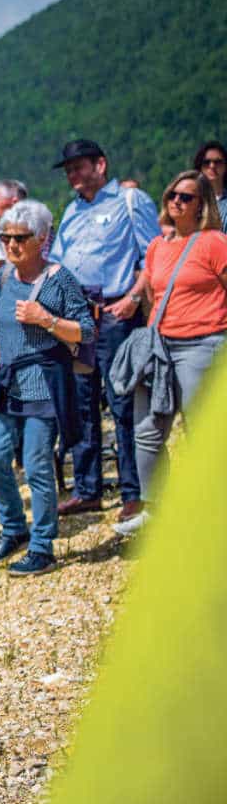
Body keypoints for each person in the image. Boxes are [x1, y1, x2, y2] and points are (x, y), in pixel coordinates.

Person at [46, 139, 162, 521]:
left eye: (78, 167)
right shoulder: (72, 211)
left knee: (123, 402)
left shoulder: (131, 202)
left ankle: (134, 490)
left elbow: (152, 256)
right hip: (79, 318)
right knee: (81, 404)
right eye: (68, 171)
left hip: (115, 314)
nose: (72, 176)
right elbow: (59, 263)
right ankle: (87, 488)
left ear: (100, 164)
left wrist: (131, 298)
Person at [0, 200, 95, 575]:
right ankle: (14, 529)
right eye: (6, 237)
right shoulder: (4, 277)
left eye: (20, 238)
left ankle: (42, 545)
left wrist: (45, 319)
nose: (11, 245)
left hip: (44, 382)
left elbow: (88, 331)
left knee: (37, 466)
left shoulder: (59, 278)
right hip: (8, 380)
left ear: (42, 239)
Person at [116, 170, 227, 536]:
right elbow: (152, 289)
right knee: (147, 429)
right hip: (161, 345)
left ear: (202, 205)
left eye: (187, 197)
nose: (176, 201)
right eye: (173, 195)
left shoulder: (213, 242)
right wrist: (133, 303)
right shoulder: (157, 246)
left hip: (204, 344)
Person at [192, 140, 227, 214]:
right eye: (206, 162)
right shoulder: (188, 200)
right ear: (199, 166)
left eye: (218, 162)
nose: (212, 166)